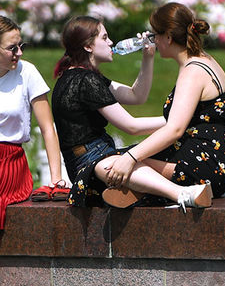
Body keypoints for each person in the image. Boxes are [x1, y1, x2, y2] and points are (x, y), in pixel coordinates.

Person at [51, 15, 212, 211]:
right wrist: (181, 120)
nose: (111, 42)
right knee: (121, 163)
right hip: (91, 160)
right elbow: (131, 126)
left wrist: (147, 57)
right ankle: (183, 194)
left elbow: (136, 96)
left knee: (135, 158)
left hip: (97, 155)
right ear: (88, 46)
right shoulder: (85, 80)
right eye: (104, 38)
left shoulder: (81, 76)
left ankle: (136, 192)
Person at [102, 2, 225, 208]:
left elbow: (174, 129)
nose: (154, 39)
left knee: (111, 164)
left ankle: (169, 193)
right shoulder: (208, 61)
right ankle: (145, 192)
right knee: (125, 165)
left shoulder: (192, 72)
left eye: (156, 34)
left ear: (169, 37)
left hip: (200, 170)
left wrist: (130, 157)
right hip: (218, 164)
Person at [0, 15, 63, 229]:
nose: (19, 53)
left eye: (21, 46)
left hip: (10, 163)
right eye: (12, 48)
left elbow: (48, 128)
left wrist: (56, 178)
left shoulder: (26, 72)